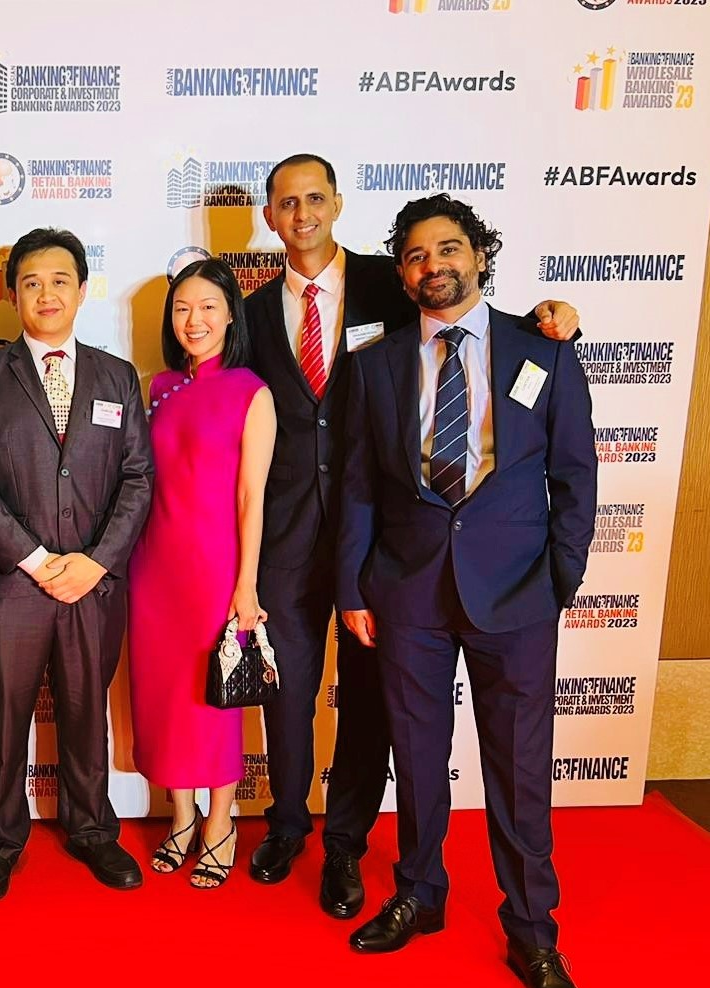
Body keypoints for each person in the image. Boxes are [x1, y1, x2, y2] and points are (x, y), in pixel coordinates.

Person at [244, 154, 581, 917]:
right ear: (269, 217)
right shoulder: (251, 311)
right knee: (294, 694)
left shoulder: (389, 282)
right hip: (296, 537)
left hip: (404, 551)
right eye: (286, 202)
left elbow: (490, 341)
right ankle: (292, 827)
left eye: (314, 197)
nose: (301, 213)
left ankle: (347, 843)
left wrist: (555, 317)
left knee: (375, 709)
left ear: (337, 204)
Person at [338, 195, 594, 988]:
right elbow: (358, 486)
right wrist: (351, 587)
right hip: (406, 592)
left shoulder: (542, 346)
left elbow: (573, 473)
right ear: (401, 271)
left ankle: (532, 931)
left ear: (479, 255)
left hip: (517, 594)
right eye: (415, 255)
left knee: (519, 770)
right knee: (416, 758)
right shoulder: (374, 365)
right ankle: (419, 891)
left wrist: (558, 579)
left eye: (448, 248)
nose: (433, 265)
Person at [0, 227, 153, 901]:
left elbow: (137, 477)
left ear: (82, 289)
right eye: (32, 283)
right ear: (12, 293)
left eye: (60, 281)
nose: (47, 294)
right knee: (2, 717)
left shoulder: (116, 375)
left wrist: (96, 563)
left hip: (93, 585)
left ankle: (92, 828)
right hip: (10, 582)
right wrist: (37, 559)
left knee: (84, 709)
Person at [128, 259, 275, 888]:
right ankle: (181, 815)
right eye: (182, 308)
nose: (195, 320)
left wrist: (246, 583)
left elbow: (251, 497)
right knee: (167, 697)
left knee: (214, 699)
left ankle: (221, 821)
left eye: (209, 306)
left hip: (215, 568)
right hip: (152, 568)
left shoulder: (252, 391)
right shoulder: (157, 387)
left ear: (230, 315)